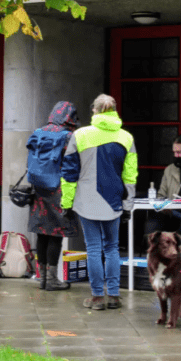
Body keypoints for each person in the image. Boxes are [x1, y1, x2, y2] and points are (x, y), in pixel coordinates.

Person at [61, 94, 138, 310]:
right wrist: (128, 205)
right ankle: (113, 295)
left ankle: (97, 297)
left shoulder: (80, 135)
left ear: (94, 110)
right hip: (114, 200)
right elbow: (130, 176)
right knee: (112, 248)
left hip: (86, 200)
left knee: (93, 248)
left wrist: (66, 203)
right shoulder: (126, 137)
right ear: (114, 110)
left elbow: (69, 173)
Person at [27, 101, 80, 291]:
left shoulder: (38, 132)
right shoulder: (68, 136)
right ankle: (51, 279)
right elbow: (73, 164)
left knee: (42, 233)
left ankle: (41, 278)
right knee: (56, 234)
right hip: (59, 189)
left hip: (39, 188)